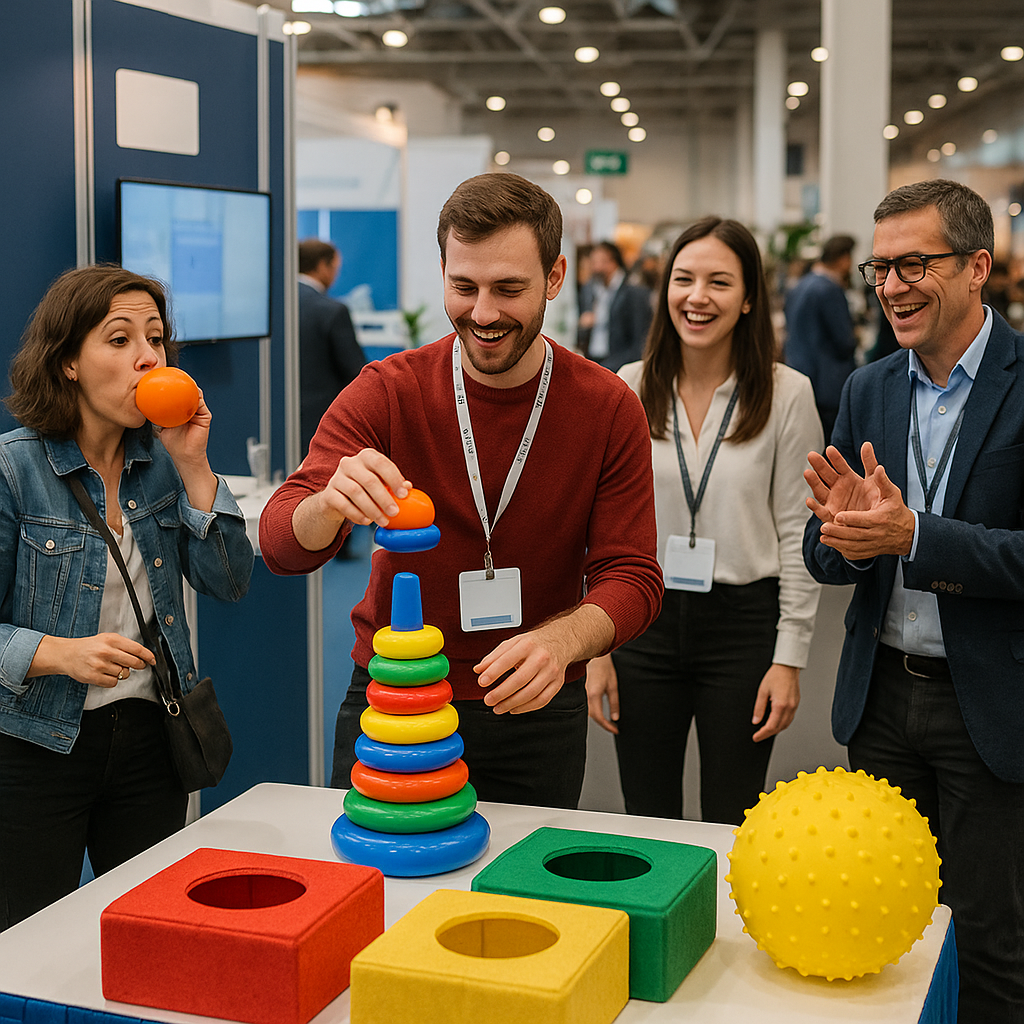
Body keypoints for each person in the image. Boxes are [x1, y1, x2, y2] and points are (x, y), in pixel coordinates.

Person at [260, 172, 663, 809]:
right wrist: (329, 502)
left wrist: (564, 641)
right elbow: (284, 545)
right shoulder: (388, 390)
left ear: (555, 279)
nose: (483, 314)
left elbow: (633, 575)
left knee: (522, 898)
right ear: (442, 269)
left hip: (537, 700)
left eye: (510, 289)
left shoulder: (606, 405)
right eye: (463, 286)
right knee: (378, 891)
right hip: (396, 695)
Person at [802, 179, 1024, 1022]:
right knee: (885, 932)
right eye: (880, 267)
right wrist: (841, 535)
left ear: (976, 266)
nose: (892, 286)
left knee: (994, 943)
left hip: (989, 709)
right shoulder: (869, 389)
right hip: (883, 700)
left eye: (914, 264)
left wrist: (913, 538)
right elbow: (824, 556)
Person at [0, 265, 254, 930]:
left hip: (149, 736)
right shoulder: (13, 470)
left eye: (156, 338)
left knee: (151, 931)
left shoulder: (164, 463)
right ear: (68, 364)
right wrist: (58, 654)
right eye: (119, 340)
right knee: (30, 938)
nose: (149, 356)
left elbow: (229, 582)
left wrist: (195, 463)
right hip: (34, 746)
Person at [586, 217, 822, 825]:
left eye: (719, 282)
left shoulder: (786, 393)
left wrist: (789, 657)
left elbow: (799, 533)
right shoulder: (630, 388)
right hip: (644, 622)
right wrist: (597, 648)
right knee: (648, 815)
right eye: (683, 279)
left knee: (732, 816)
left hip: (743, 628)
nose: (697, 297)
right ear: (664, 289)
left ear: (748, 299)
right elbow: (601, 528)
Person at [783, 234, 858, 441]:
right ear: (843, 258)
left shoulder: (798, 286)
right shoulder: (830, 290)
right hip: (828, 384)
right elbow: (844, 341)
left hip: (802, 374)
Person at [298, 239, 366, 455]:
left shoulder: (274, 304)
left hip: (276, 420)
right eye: (335, 268)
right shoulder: (331, 311)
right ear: (321, 266)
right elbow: (356, 374)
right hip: (322, 422)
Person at [579, 240, 653, 371]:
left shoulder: (634, 290)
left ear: (612, 262)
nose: (594, 267)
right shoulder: (591, 289)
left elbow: (640, 338)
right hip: (593, 360)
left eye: (598, 261)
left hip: (619, 365)